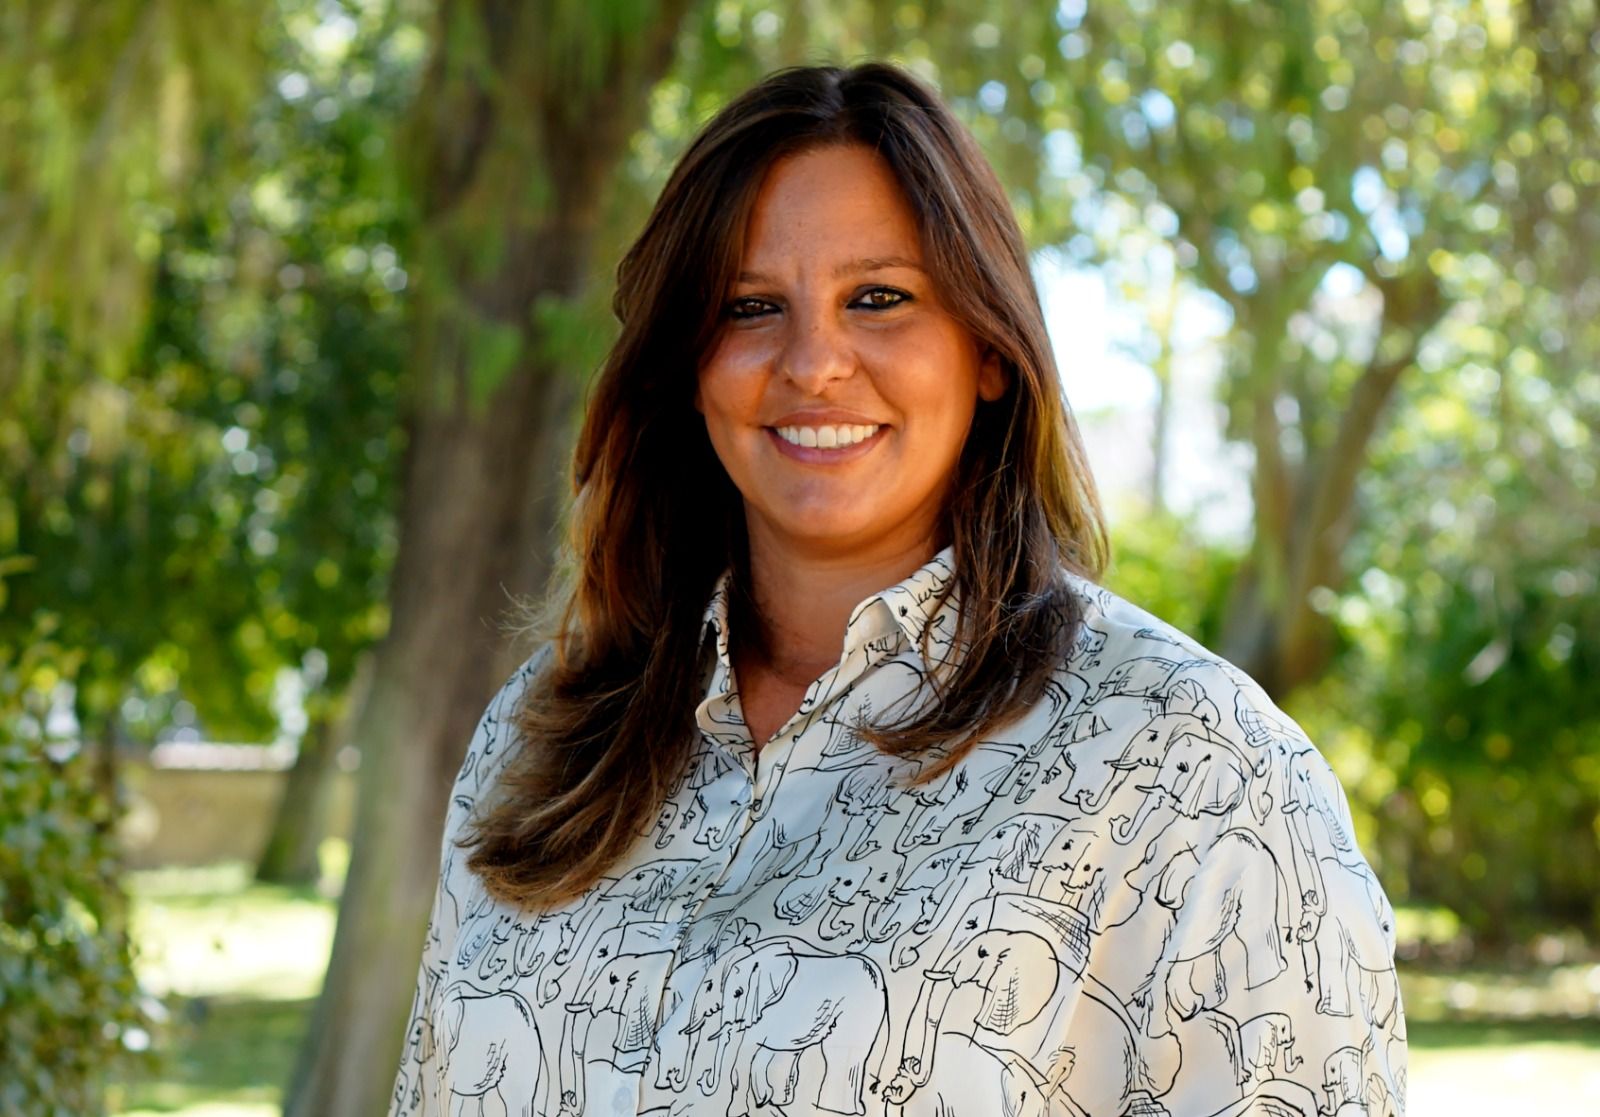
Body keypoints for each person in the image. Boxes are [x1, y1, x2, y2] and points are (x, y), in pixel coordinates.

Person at [388, 62, 1407, 1117]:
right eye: (748, 306)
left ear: (990, 352)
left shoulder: (1191, 765)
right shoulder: (538, 736)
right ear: (684, 365)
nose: (814, 361)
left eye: (879, 298)